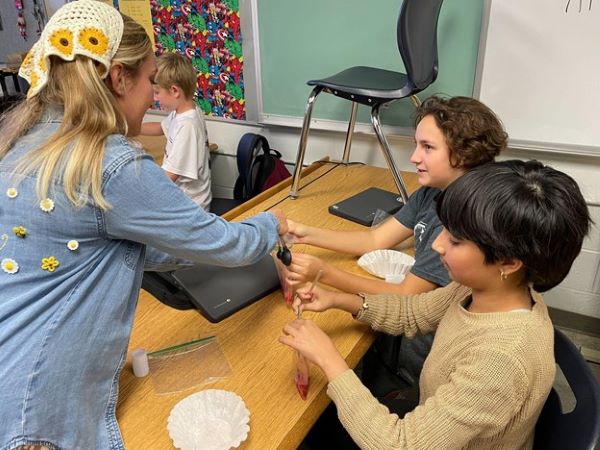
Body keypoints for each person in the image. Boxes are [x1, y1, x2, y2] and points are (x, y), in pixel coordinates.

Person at [0, 2, 286, 449]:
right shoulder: (109, 163)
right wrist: (273, 224)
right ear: (118, 78)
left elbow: (133, 247)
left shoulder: (24, 142)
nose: (154, 96)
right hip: (40, 407)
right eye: (150, 80)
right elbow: (220, 243)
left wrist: (197, 241)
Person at [281, 160, 591, 449]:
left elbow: (398, 444)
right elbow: (413, 313)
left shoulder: (502, 359)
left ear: (508, 262)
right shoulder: (485, 288)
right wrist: (338, 299)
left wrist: (328, 358)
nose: (436, 244)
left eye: (456, 241)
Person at [285, 96, 508, 391]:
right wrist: (302, 231)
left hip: (421, 363)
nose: (414, 157)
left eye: (427, 148)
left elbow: (406, 298)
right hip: (409, 332)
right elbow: (375, 238)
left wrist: (324, 274)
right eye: (417, 145)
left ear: (463, 154)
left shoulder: (460, 222)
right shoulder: (433, 193)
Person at [140, 52, 212, 210]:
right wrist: (130, 128)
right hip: (183, 200)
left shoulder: (187, 125)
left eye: (157, 92)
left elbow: (168, 176)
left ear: (174, 91)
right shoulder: (183, 111)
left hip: (191, 208)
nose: (155, 99)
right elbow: (160, 128)